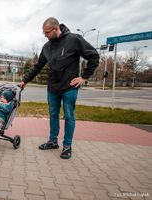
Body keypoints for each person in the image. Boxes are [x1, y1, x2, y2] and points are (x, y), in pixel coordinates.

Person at [19, 17, 99, 159]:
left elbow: (93, 56)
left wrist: (84, 77)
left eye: (47, 32)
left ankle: (67, 146)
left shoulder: (74, 39)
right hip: (53, 88)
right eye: (44, 33)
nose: (45, 35)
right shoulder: (47, 47)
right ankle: (52, 141)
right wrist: (25, 80)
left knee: (69, 116)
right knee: (53, 115)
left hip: (69, 87)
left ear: (57, 29)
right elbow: (38, 66)